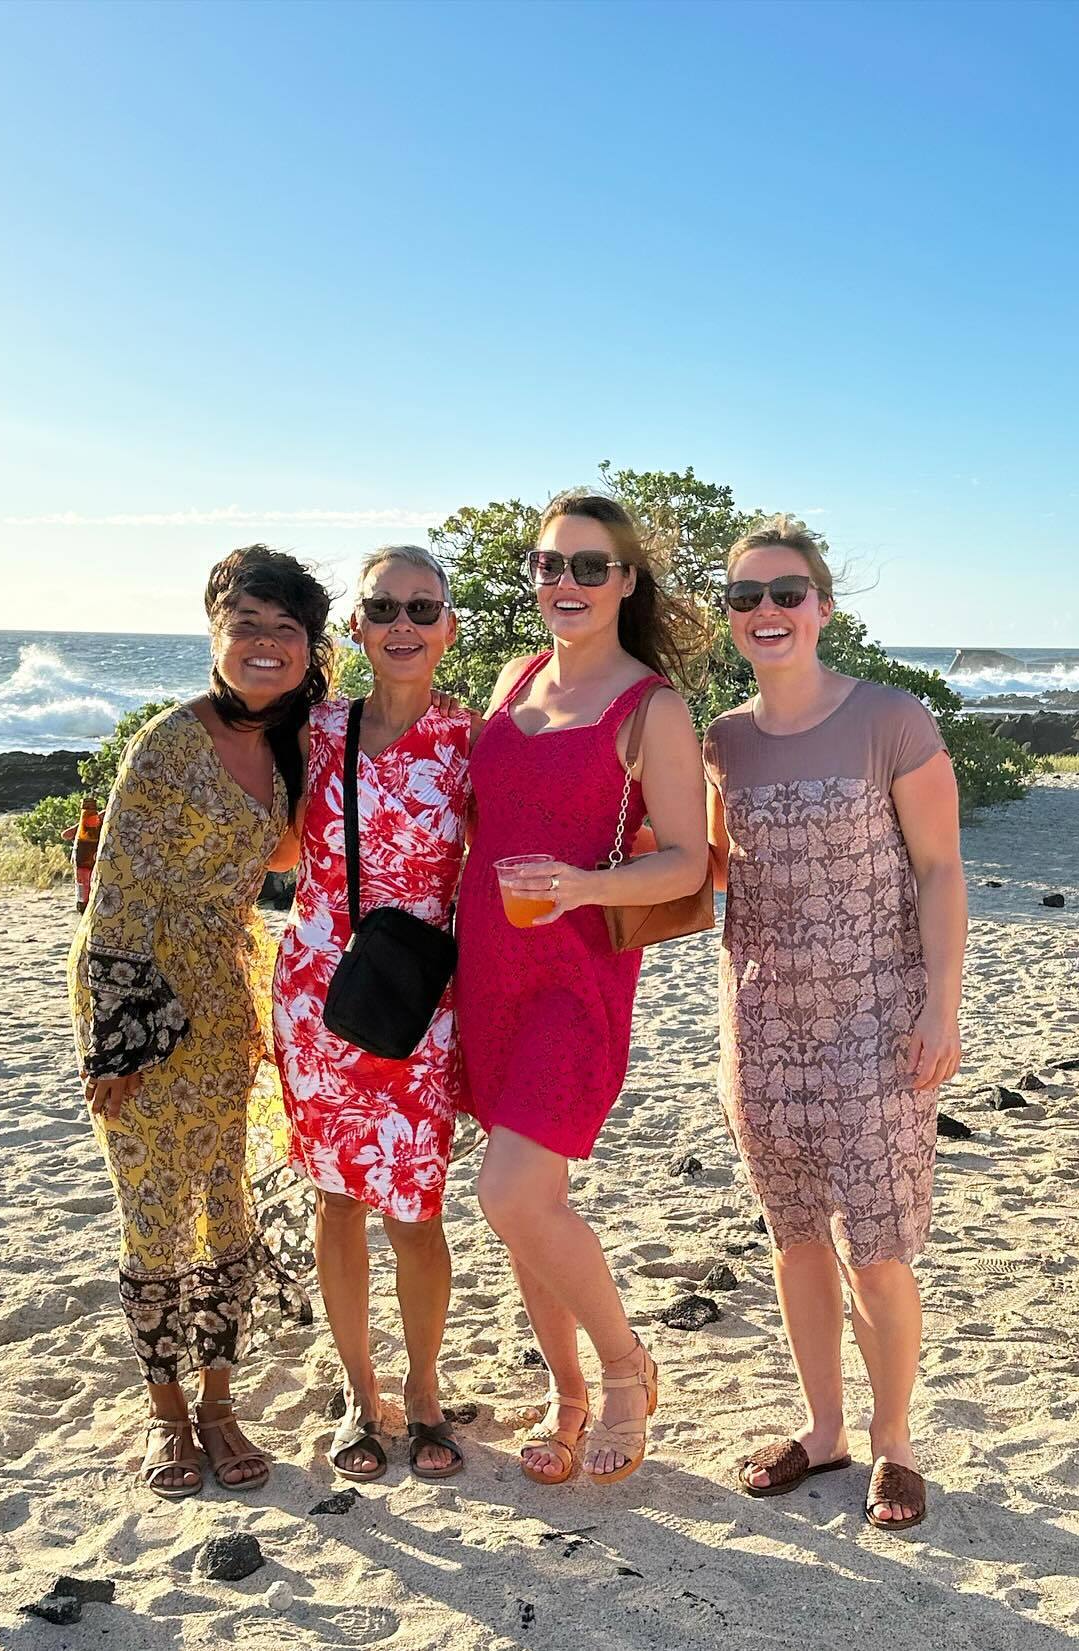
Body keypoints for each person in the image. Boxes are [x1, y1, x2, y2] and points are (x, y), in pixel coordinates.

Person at [703, 516, 965, 1532]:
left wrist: (942, 1003)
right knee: (797, 1236)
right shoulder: (721, 741)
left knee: (878, 1247)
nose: (766, 610)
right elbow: (712, 870)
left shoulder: (891, 717)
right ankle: (824, 1430)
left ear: (822, 605)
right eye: (747, 596)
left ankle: (895, 1441)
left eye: (787, 592)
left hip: (877, 1018)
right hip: (762, 1024)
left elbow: (940, 869)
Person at [457, 491, 709, 1487]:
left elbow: (688, 860)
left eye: (590, 566)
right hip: (487, 969)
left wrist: (584, 885)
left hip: (575, 981)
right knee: (531, 1205)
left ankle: (624, 1366)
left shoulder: (652, 708)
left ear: (626, 580)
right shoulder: (513, 677)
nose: (566, 582)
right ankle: (564, 1394)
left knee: (510, 1189)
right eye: (549, 564)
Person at [69, 545, 331, 1500]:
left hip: (226, 988)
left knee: (226, 1198)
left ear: (309, 646)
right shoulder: (168, 743)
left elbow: (295, 855)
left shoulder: (290, 744)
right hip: (141, 991)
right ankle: (166, 1412)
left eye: (285, 629)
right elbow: (115, 899)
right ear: (215, 633)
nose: (265, 643)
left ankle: (221, 1404)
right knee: (153, 1207)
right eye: (246, 624)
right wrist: (118, 1039)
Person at [273, 545, 475, 1483]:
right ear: (355, 626)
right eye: (384, 608)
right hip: (317, 995)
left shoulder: (472, 740)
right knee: (338, 1201)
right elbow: (264, 833)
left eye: (422, 609)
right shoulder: (315, 728)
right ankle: (362, 1390)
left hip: (414, 1007)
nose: (403, 624)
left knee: (415, 1210)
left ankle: (424, 1388)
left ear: (449, 628)